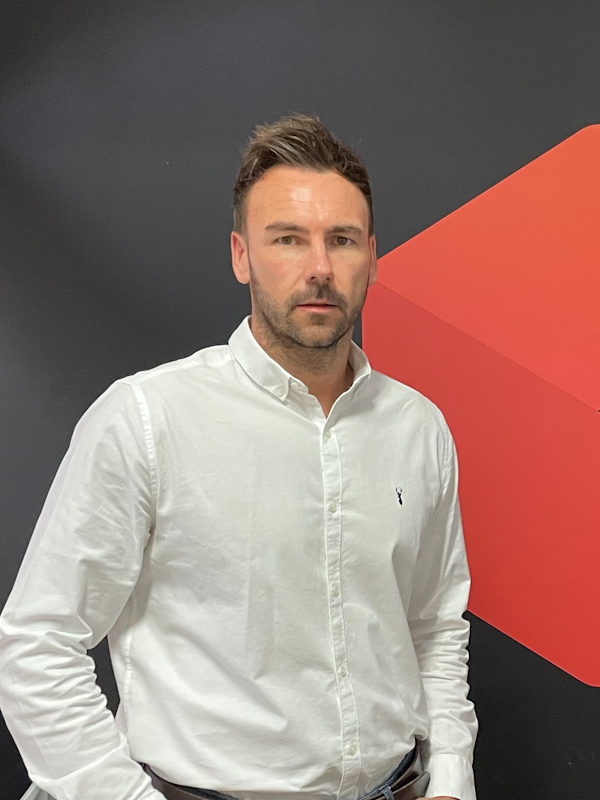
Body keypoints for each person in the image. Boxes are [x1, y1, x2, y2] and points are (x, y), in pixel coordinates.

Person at [0, 114, 477, 800]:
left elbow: (434, 623)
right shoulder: (146, 420)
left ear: (372, 254)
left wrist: (452, 780)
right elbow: (38, 643)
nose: (319, 267)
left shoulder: (418, 429)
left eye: (341, 240)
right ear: (241, 255)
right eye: (288, 239)